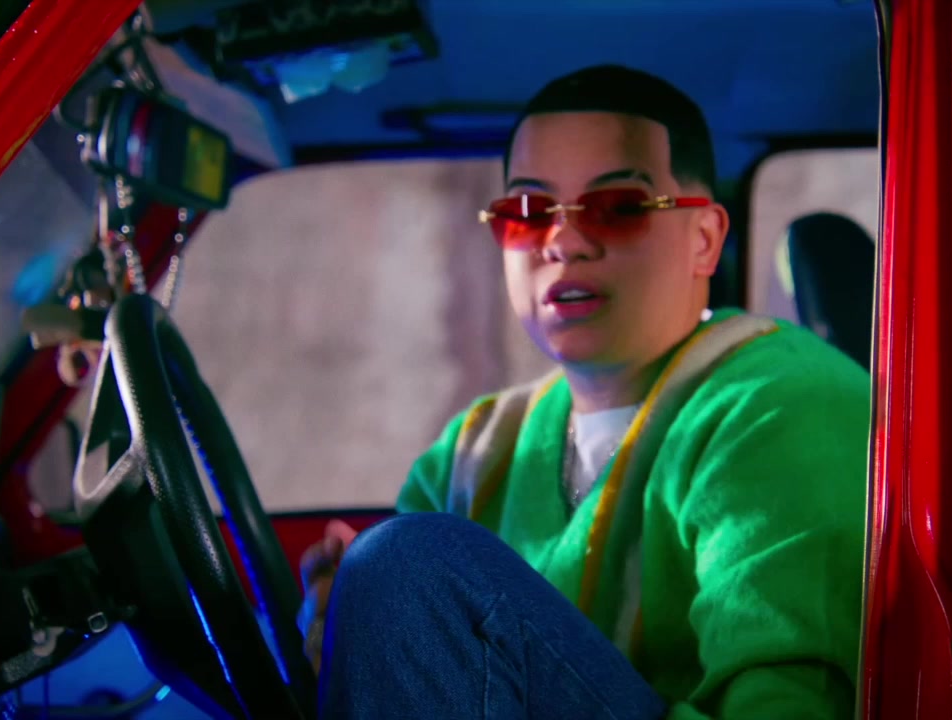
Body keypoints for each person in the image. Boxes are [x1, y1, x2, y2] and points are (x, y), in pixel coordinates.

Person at [299, 64, 871, 719]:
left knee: (404, 565)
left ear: (704, 239)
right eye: (527, 213)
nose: (564, 242)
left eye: (619, 208)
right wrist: (341, 627)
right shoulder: (476, 447)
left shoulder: (781, 407)